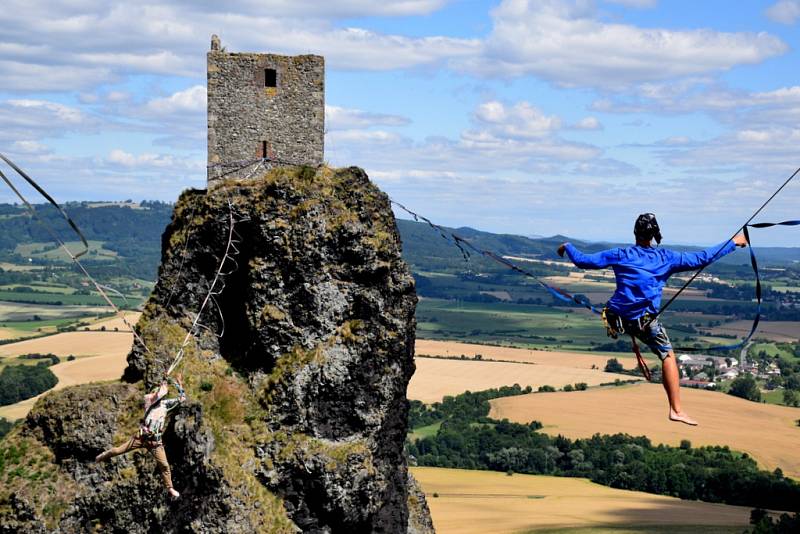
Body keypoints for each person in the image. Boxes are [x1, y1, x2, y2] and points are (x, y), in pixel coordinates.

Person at [557, 213, 747, 426]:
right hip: (644, 322)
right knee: (668, 356)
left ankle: (620, 327)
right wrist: (733, 242)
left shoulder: (621, 254)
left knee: (632, 322)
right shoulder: (665, 258)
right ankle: (676, 410)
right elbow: (702, 257)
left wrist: (567, 246)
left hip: (617, 316)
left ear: (635, 233)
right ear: (655, 235)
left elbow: (584, 261)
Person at [96, 373, 186, 499]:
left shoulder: (165, 405)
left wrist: (179, 384)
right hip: (140, 438)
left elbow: (182, 398)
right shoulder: (148, 400)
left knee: (164, 466)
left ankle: (170, 488)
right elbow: (159, 394)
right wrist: (164, 381)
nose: (157, 395)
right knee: (117, 450)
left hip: (155, 442)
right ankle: (102, 456)